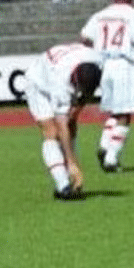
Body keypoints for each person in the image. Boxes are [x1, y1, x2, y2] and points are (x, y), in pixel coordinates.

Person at [80, 0, 134, 173]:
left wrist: (99, 48)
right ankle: (111, 157)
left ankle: (105, 144)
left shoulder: (100, 15)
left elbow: (85, 37)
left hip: (103, 65)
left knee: (114, 111)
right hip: (122, 64)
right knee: (125, 113)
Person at [23, 42, 102, 201]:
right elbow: (61, 124)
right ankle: (63, 185)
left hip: (63, 67)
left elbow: (72, 118)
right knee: (51, 131)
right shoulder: (60, 81)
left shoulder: (97, 61)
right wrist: (72, 163)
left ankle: (70, 178)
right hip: (38, 84)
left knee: (72, 124)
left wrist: (77, 110)